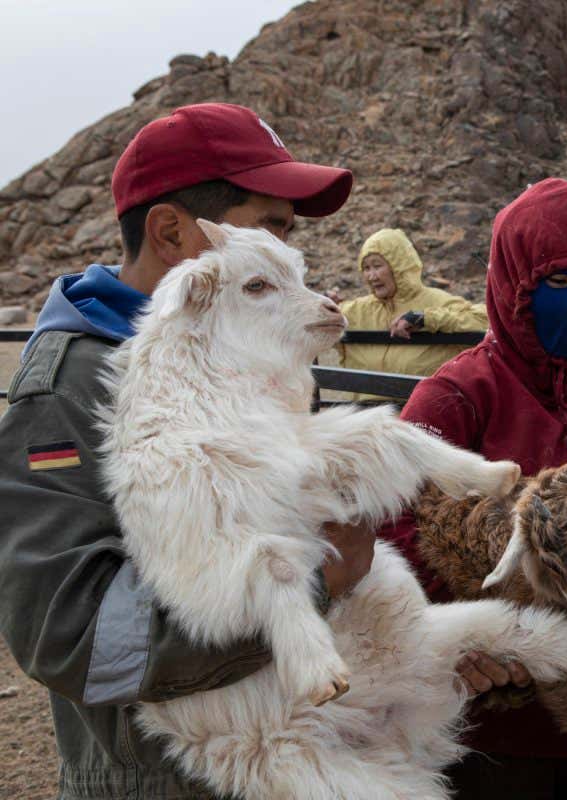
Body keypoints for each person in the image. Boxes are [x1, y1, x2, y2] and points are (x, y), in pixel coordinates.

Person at [0, 103, 377, 800]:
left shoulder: (245, 353)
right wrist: (312, 581)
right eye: (270, 227)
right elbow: (68, 629)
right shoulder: (72, 388)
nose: (290, 260)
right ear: (173, 233)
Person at [377, 177, 567, 800]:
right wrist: (496, 629)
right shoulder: (457, 397)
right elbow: (400, 537)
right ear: (514, 282)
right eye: (560, 284)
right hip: (497, 730)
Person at [333, 228, 487, 397]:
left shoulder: (436, 301)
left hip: (420, 416)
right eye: (366, 268)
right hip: (364, 417)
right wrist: (321, 307)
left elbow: (484, 320)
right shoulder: (357, 311)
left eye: (377, 266)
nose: (371, 276)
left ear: (400, 266)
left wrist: (425, 319)